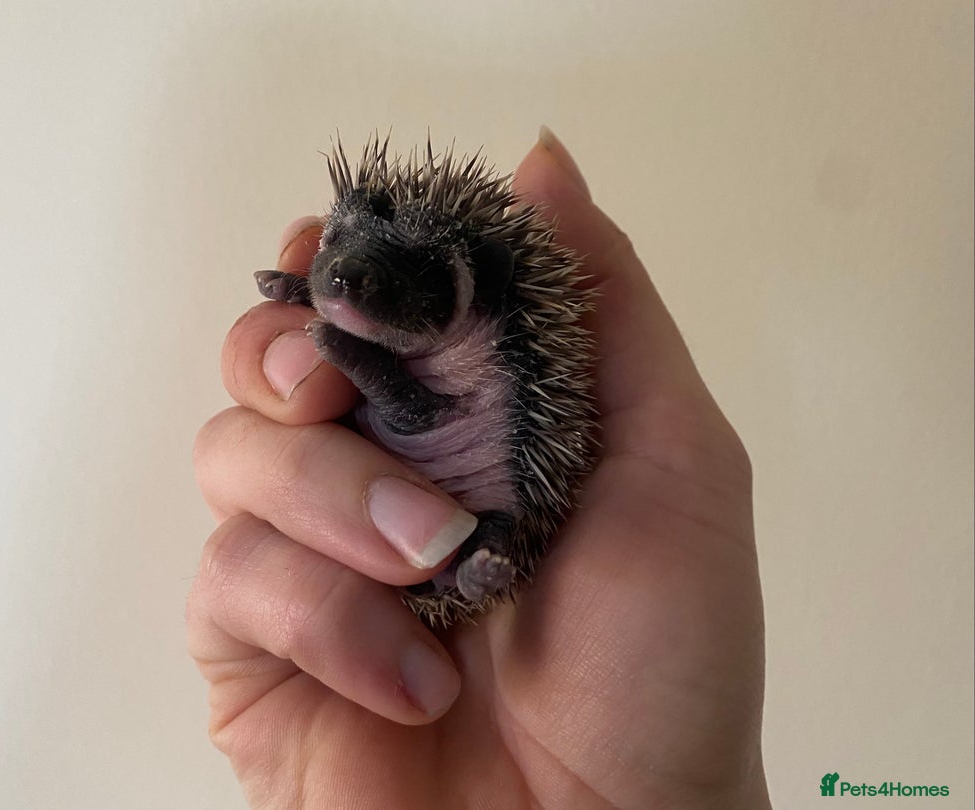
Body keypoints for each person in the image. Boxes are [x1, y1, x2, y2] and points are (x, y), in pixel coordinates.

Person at [189, 128, 772, 809]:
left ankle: (471, 560)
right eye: (340, 251)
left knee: (408, 410)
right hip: (425, 568)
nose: (348, 273)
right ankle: (464, 564)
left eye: (414, 274)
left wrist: (335, 336)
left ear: (483, 288)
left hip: (468, 475)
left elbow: (401, 391)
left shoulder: (486, 355)